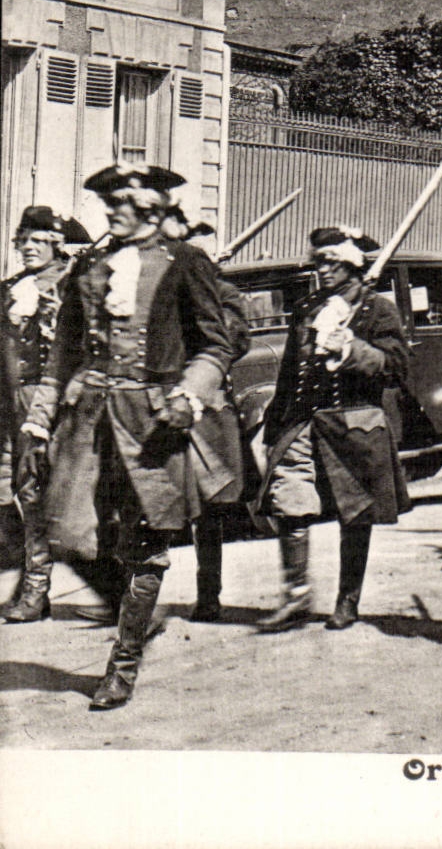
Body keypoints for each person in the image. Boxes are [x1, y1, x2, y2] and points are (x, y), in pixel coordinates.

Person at [21, 164, 237, 709]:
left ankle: (122, 665)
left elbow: (216, 344)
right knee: (62, 532)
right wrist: (40, 415)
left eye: (121, 202)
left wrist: (190, 393)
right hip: (88, 419)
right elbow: (64, 351)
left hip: (152, 421)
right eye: (109, 202)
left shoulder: (186, 262)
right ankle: (136, 611)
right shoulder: (90, 265)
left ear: (151, 209)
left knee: (146, 547)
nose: (111, 210)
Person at [255, 226, 410, 633]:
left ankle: (347, 599)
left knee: (354, 515)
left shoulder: (378, 311)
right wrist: (276, 426)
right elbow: (291, 371)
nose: (322, 269)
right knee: (289, 501)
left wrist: (351, 349)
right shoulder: (309, 309)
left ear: (352, 266)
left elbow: (395, 368)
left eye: (332, 263)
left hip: (354, 424)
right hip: (304, 421)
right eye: (320, 262)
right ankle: (296, 597)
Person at [158, 203, 250, 623]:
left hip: (204, 410)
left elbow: (231, 342)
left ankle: (208, 592)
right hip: (158, 403)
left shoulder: (224, 293)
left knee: (208, 509)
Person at [0, 206, 88, 623]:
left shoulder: (74, 288)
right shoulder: (12, 290)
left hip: (63, 403)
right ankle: (36, 592)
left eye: (39, 241)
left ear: (57, 246)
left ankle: (119, 585)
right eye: (24, 241)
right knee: (30, 494)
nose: (28, 248)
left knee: (74, 499)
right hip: (19, 404)